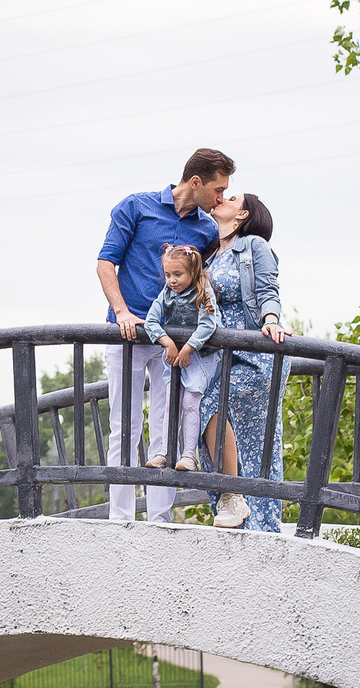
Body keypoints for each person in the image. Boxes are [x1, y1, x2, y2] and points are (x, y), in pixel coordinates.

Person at [95, 149, 231, 521]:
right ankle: (120, 519)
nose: (220, 199)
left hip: (176, 344)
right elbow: (106, 262)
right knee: (124, 426)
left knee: (165, 427)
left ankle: (159, 520)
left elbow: (203, 286)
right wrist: (122, 311)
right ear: (196, 182)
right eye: (218, 190)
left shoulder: (205, 229)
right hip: (128, 335)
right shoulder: (135, 207)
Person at [196, 192, 291, 532]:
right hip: (221, 360)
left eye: (231, 197)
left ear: (242, 214)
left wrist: (270, 319)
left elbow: (268, 288)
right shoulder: (209, 254)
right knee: (201, 409)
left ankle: (248, 512)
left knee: (257, 446)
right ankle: (234, 503)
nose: (221, 198)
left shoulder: (253, 246)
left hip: (256, 357)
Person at [141, 244, 225, 471]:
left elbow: (209, 324)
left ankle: (189, 455)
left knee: (190, 402)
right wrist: (167, 342)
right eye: (168, 275)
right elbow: (151, 320)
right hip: (175, 354)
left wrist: (188, 347)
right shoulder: (166, 293)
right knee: (172, 402)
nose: (172, 280)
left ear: (193, 273)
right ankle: (165, 452)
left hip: (199, 355)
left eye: (178, 275)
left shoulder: (202, 291)